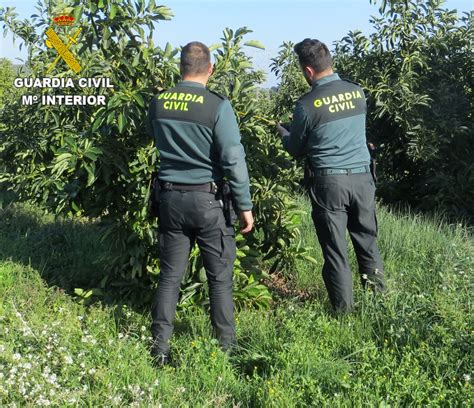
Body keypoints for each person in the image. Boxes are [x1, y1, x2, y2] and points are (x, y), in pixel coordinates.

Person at [146, 41, 254, 365]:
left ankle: (160, 350)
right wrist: (245, 206)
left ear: (180, 68)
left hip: (169, 200)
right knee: (219, 279)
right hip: (209, 203)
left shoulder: (159, 102)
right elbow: (234, 159)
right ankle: (226, 352)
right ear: (210, 69)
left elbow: (156, 139)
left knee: (169, 277)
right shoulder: (217, 106)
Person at [277, 38, 386, 313]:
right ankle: (379, 306)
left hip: (329, 185)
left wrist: (284, 132)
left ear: (308, 71)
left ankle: (344, 314)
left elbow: (296, 148)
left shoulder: (307, 104)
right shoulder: (357, 92)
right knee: (367, 244)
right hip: (362, 179)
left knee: (336, 252)